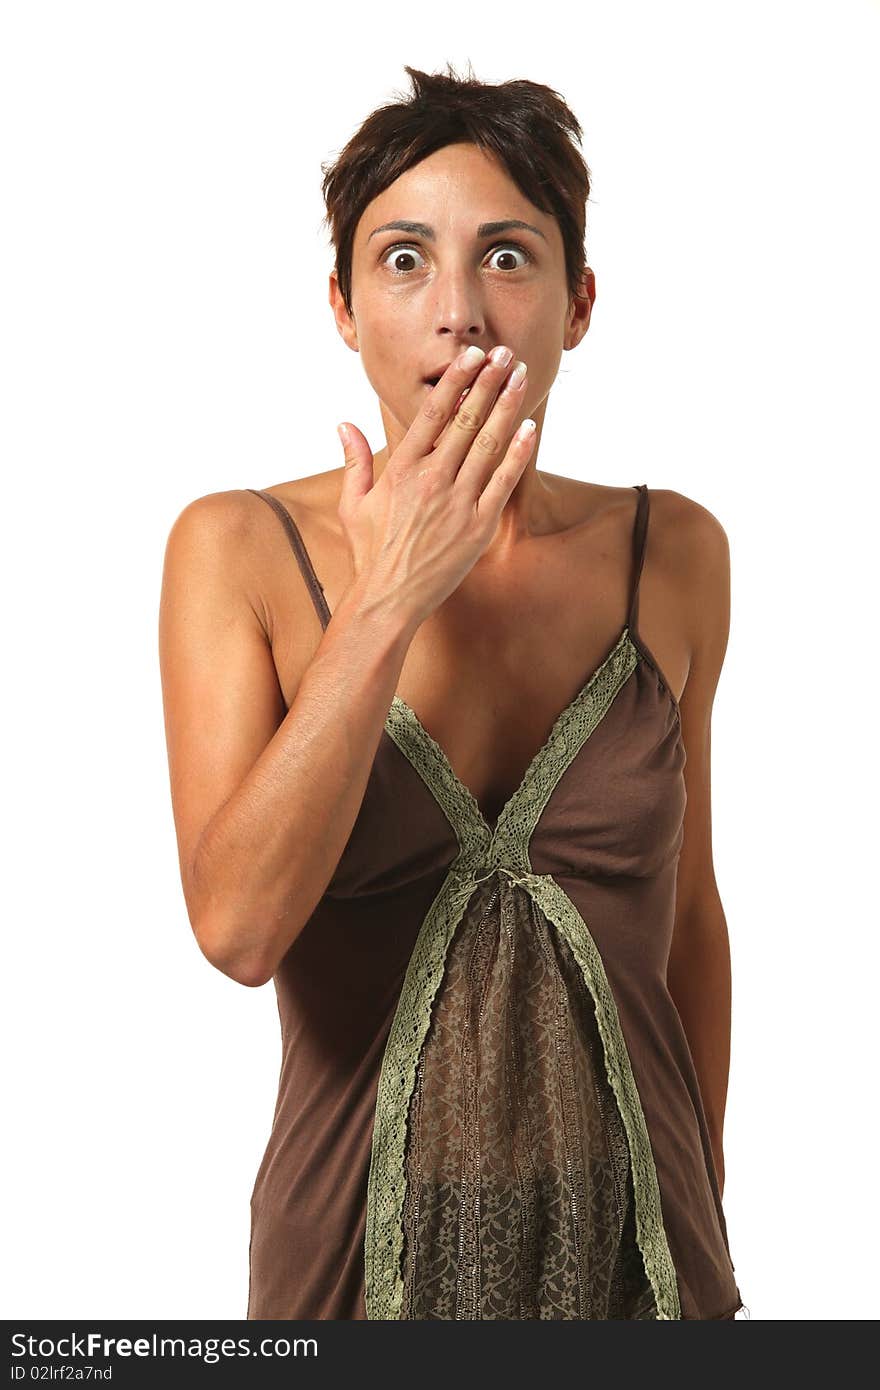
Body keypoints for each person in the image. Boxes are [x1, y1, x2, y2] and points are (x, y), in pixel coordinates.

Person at [159, 63, 744, 1320]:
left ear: (579, 304)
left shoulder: (674, 554)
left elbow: (685, 922)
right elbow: (237, 929)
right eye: (406, 259)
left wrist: (703, 1229)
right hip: (351, 1269)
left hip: (642, 1264)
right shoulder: (236, 550)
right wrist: (387, 598)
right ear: (342, 303)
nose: (461, 312)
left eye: (511, 259)